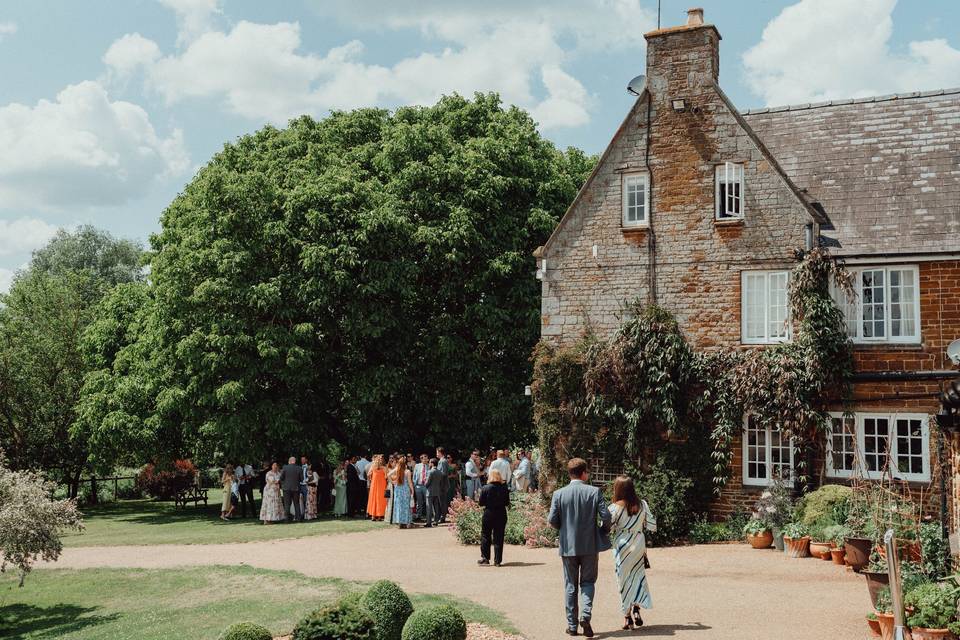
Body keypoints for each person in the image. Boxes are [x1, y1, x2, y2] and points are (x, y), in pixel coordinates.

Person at [548, 457, 612, 638]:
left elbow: (552, 520)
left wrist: (564, 529)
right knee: (588, 582)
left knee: (570, 585)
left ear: (570, 473)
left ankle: (572, 625)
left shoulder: (559, 494)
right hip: (590, 545)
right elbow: (606, 516)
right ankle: (585, 615)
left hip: (568, 545)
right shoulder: (594, 492)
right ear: (583, 473)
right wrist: (603, 530)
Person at [608, 475, 657, 630]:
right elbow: (652, 525)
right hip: (638, 542)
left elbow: (608, 528)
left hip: (622, 545)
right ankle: (637, 609)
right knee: (638, 576)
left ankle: (627, 616)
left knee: (623, 580)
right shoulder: (642, 504)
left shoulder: (614, 508)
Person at [478, 468, 510, 566]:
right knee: (499, 537)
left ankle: (485, 558)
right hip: (501, 513)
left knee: (485, 535)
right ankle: (497, 560)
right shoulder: (504, 488)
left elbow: (481, 503)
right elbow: (507, 502)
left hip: (489, 513)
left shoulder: (486, 488)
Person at [389, 455, 414, 528]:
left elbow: (388, 474)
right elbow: (409, 482)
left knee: (399, 506)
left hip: (398, 490)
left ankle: (399, 523)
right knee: (406, 506)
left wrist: (393, 482)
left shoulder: (397, 469)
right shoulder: (407, 471)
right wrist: (412, 490)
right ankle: (406, 523)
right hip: (405, 490)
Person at [280, 456, 304, 522]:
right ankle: (298, 518)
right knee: (296, 503)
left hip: (286, 488)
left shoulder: (285, 467)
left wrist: (284, 483)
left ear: (289, 461)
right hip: (296, 488)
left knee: (287, 504)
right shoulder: (299, 468)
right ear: (295, 461)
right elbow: (302, 479)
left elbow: (281, 478)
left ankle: (287, 519)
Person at [424, 457, 445, 527]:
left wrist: (425, 482)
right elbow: (441, 483)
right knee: (436, 507)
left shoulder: (430, 472)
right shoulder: (440, 472)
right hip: (437, 491)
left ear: (432, 464)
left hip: (429, 492)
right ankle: (436, 521)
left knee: (429, 508)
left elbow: (427, 483)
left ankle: (429, 522)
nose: (429, 463)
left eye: (430, 462)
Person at [366, 454, 388, 521]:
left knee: (374, 499)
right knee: (380, 499)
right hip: (381, 486)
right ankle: (379, 516)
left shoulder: (373, 467)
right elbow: (387, 477)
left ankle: (373, 515)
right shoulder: (384, 468)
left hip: (374, 486)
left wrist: (371, 478)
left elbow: (368, 474)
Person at [413, 454, 430, 521]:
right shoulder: (417, 466)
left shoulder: (429, 466)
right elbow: (414, 475)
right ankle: (419, 516)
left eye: (426, 459)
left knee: (427, 502)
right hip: (418, 486)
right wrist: (414, 485)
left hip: (426, 486)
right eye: (424, 459)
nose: (425, 460)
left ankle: (427, 516)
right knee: (419, 502)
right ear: (421, 459)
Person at [435, 448, 450, 523]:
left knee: (442, 501)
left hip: (442, 485)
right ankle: (442, 516)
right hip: (442, 484)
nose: (436, 454)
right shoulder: (442, 461)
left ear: (441, 452)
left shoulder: (443, 461)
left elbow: (443, 473)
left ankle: (442, 517)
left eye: (437, 452)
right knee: (442, 501)